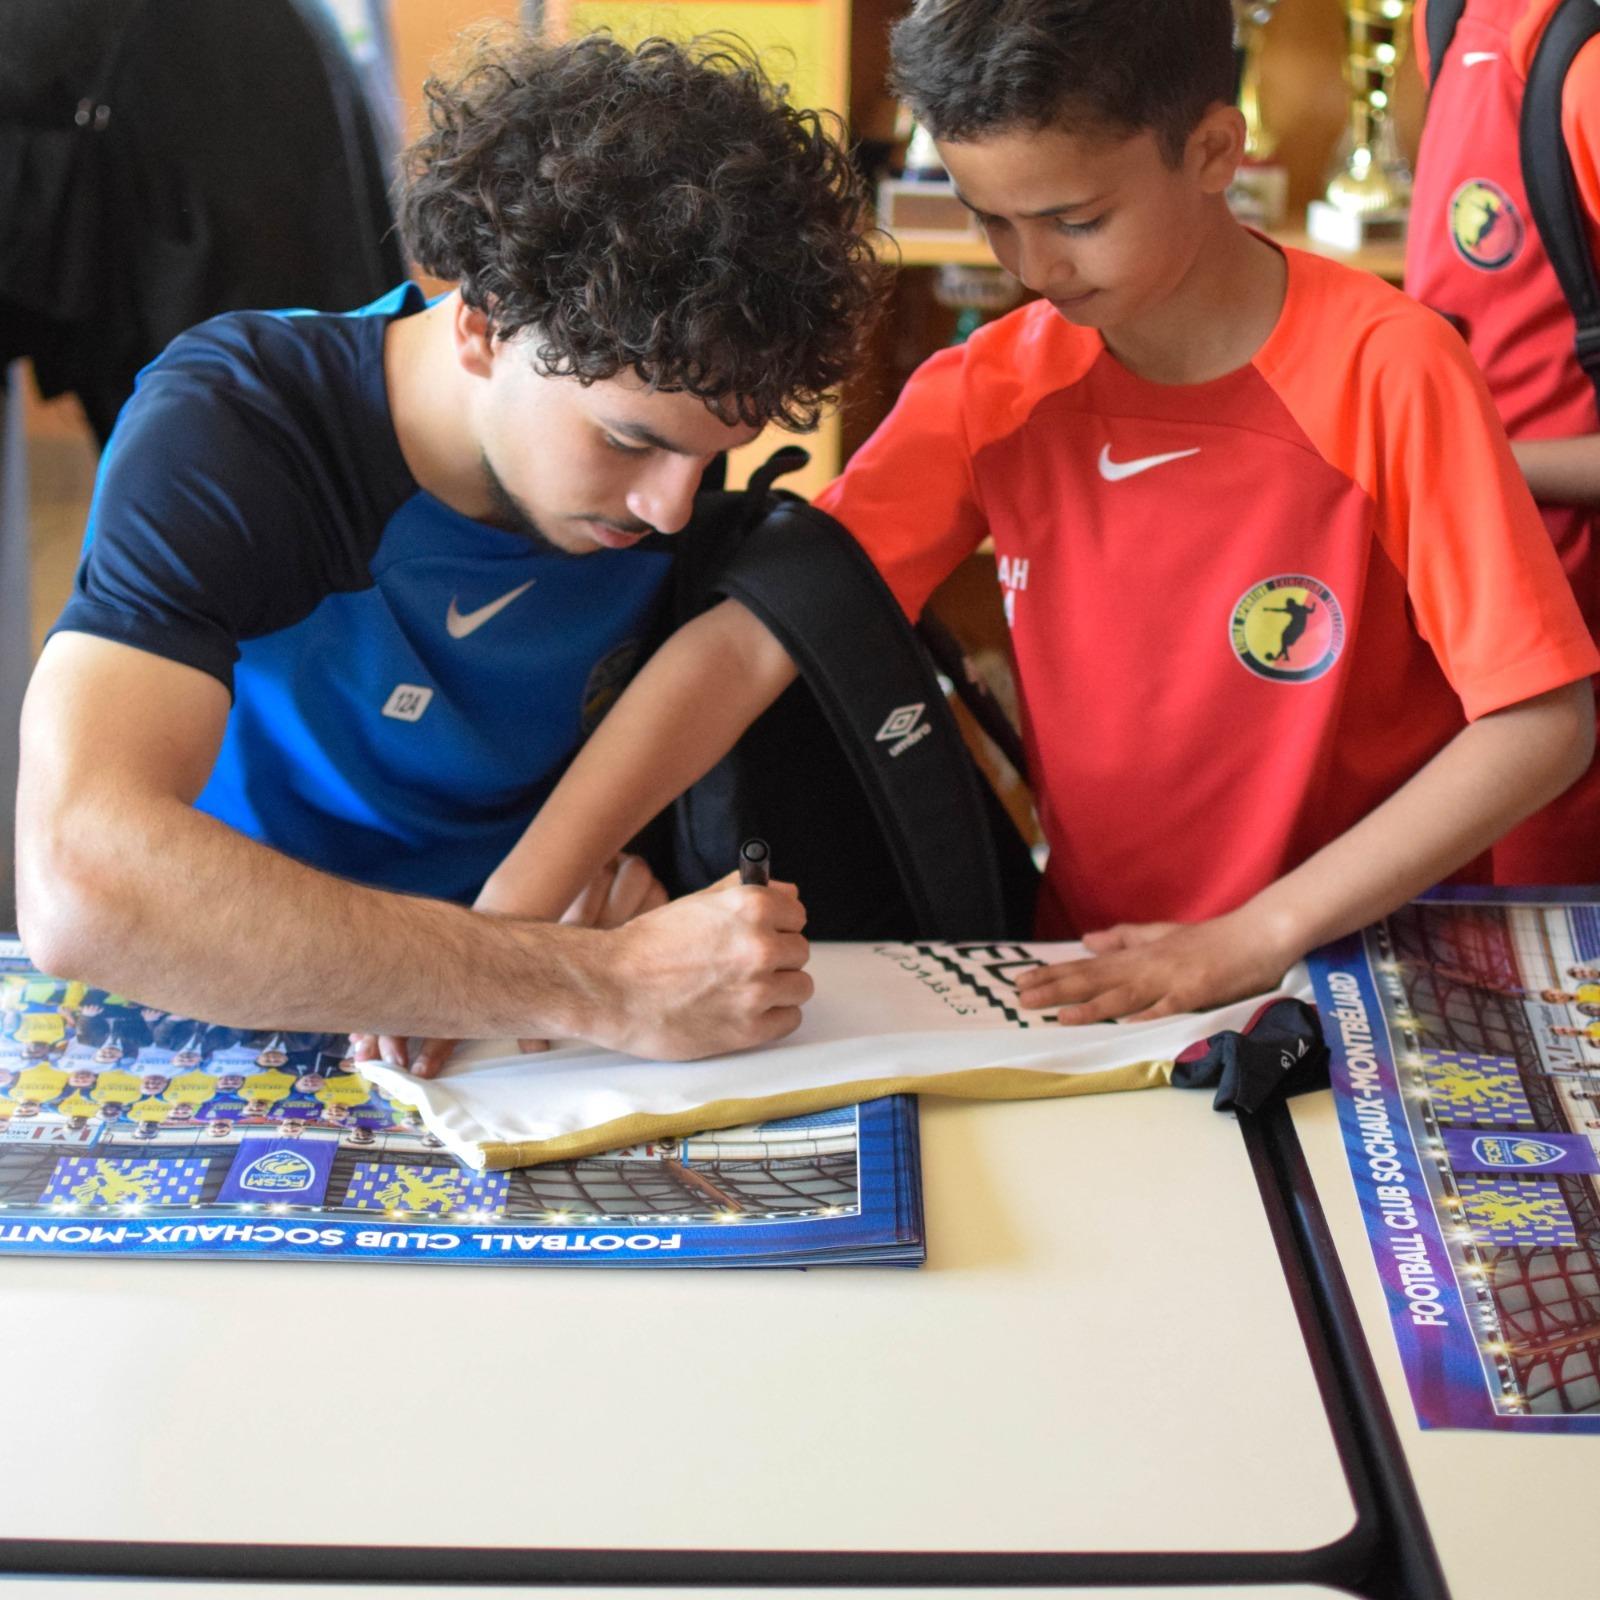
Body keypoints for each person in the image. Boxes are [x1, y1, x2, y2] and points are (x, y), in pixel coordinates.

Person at [492, 0, 1598, 1027]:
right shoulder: (992, 389)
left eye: (1076, 218)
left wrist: (1255, 937)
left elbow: (1540, 724)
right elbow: (748, 645)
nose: (1034, 266)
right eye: (992, 220)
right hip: (1095, 978)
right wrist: (510, 923)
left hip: (1367, 975)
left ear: (1214, 151)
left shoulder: (1389, 370)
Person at [15, 32, 880, 1063]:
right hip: (234, 984)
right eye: (626, 441)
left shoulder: (653, 461)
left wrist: (554, 908)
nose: (669, 511)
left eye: (711, 458)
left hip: (518, 1027)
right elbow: (80, 882)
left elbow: (727, 652)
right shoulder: (235, 424)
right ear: (482, 325)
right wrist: (593, 984)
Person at [1406, 0, 1600, 884]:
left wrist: (1473, 464)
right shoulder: (1446, 17)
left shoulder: (1583, 64)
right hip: (1465, 609)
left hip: (1568, 651)